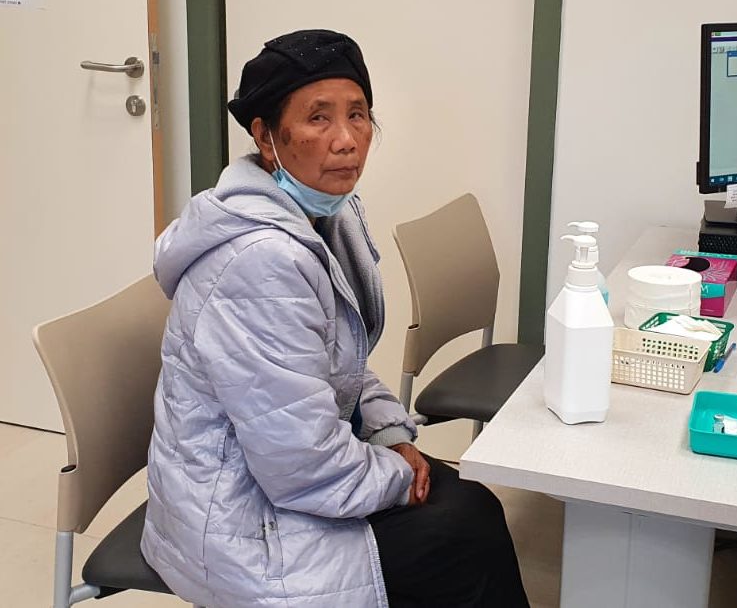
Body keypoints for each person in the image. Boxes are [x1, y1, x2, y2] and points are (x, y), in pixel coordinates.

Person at [141, 30, 529, 608]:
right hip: (237, 523)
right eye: (318, 118)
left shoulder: (328, 216)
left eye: (358, 115)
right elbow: (301, 467)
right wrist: (398, 476)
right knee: (461, 534)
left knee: (473, 511)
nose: (346, 140)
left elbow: (339, 363)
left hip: (282, 472)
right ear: (266, 138)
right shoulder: (260, 261)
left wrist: (390, 434)